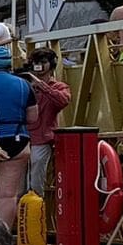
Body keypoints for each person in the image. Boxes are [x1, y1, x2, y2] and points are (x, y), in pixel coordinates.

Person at [0, 46, 34, 228]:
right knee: (8, 194)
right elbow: (32, 117)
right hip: (17, 138)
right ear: (9, 63)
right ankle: (3, 235)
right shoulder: (23, 84)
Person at [24, 48, 71, 197]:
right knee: (18, 180)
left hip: (42, 138)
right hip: (23, 137)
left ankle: (36, 206)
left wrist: (42, 86)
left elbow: (62, 101)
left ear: (51, 65)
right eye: (36, 63)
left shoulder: (59, 87)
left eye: (43, 62)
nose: (39, 66)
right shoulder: (24, 85)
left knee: (37, 175)